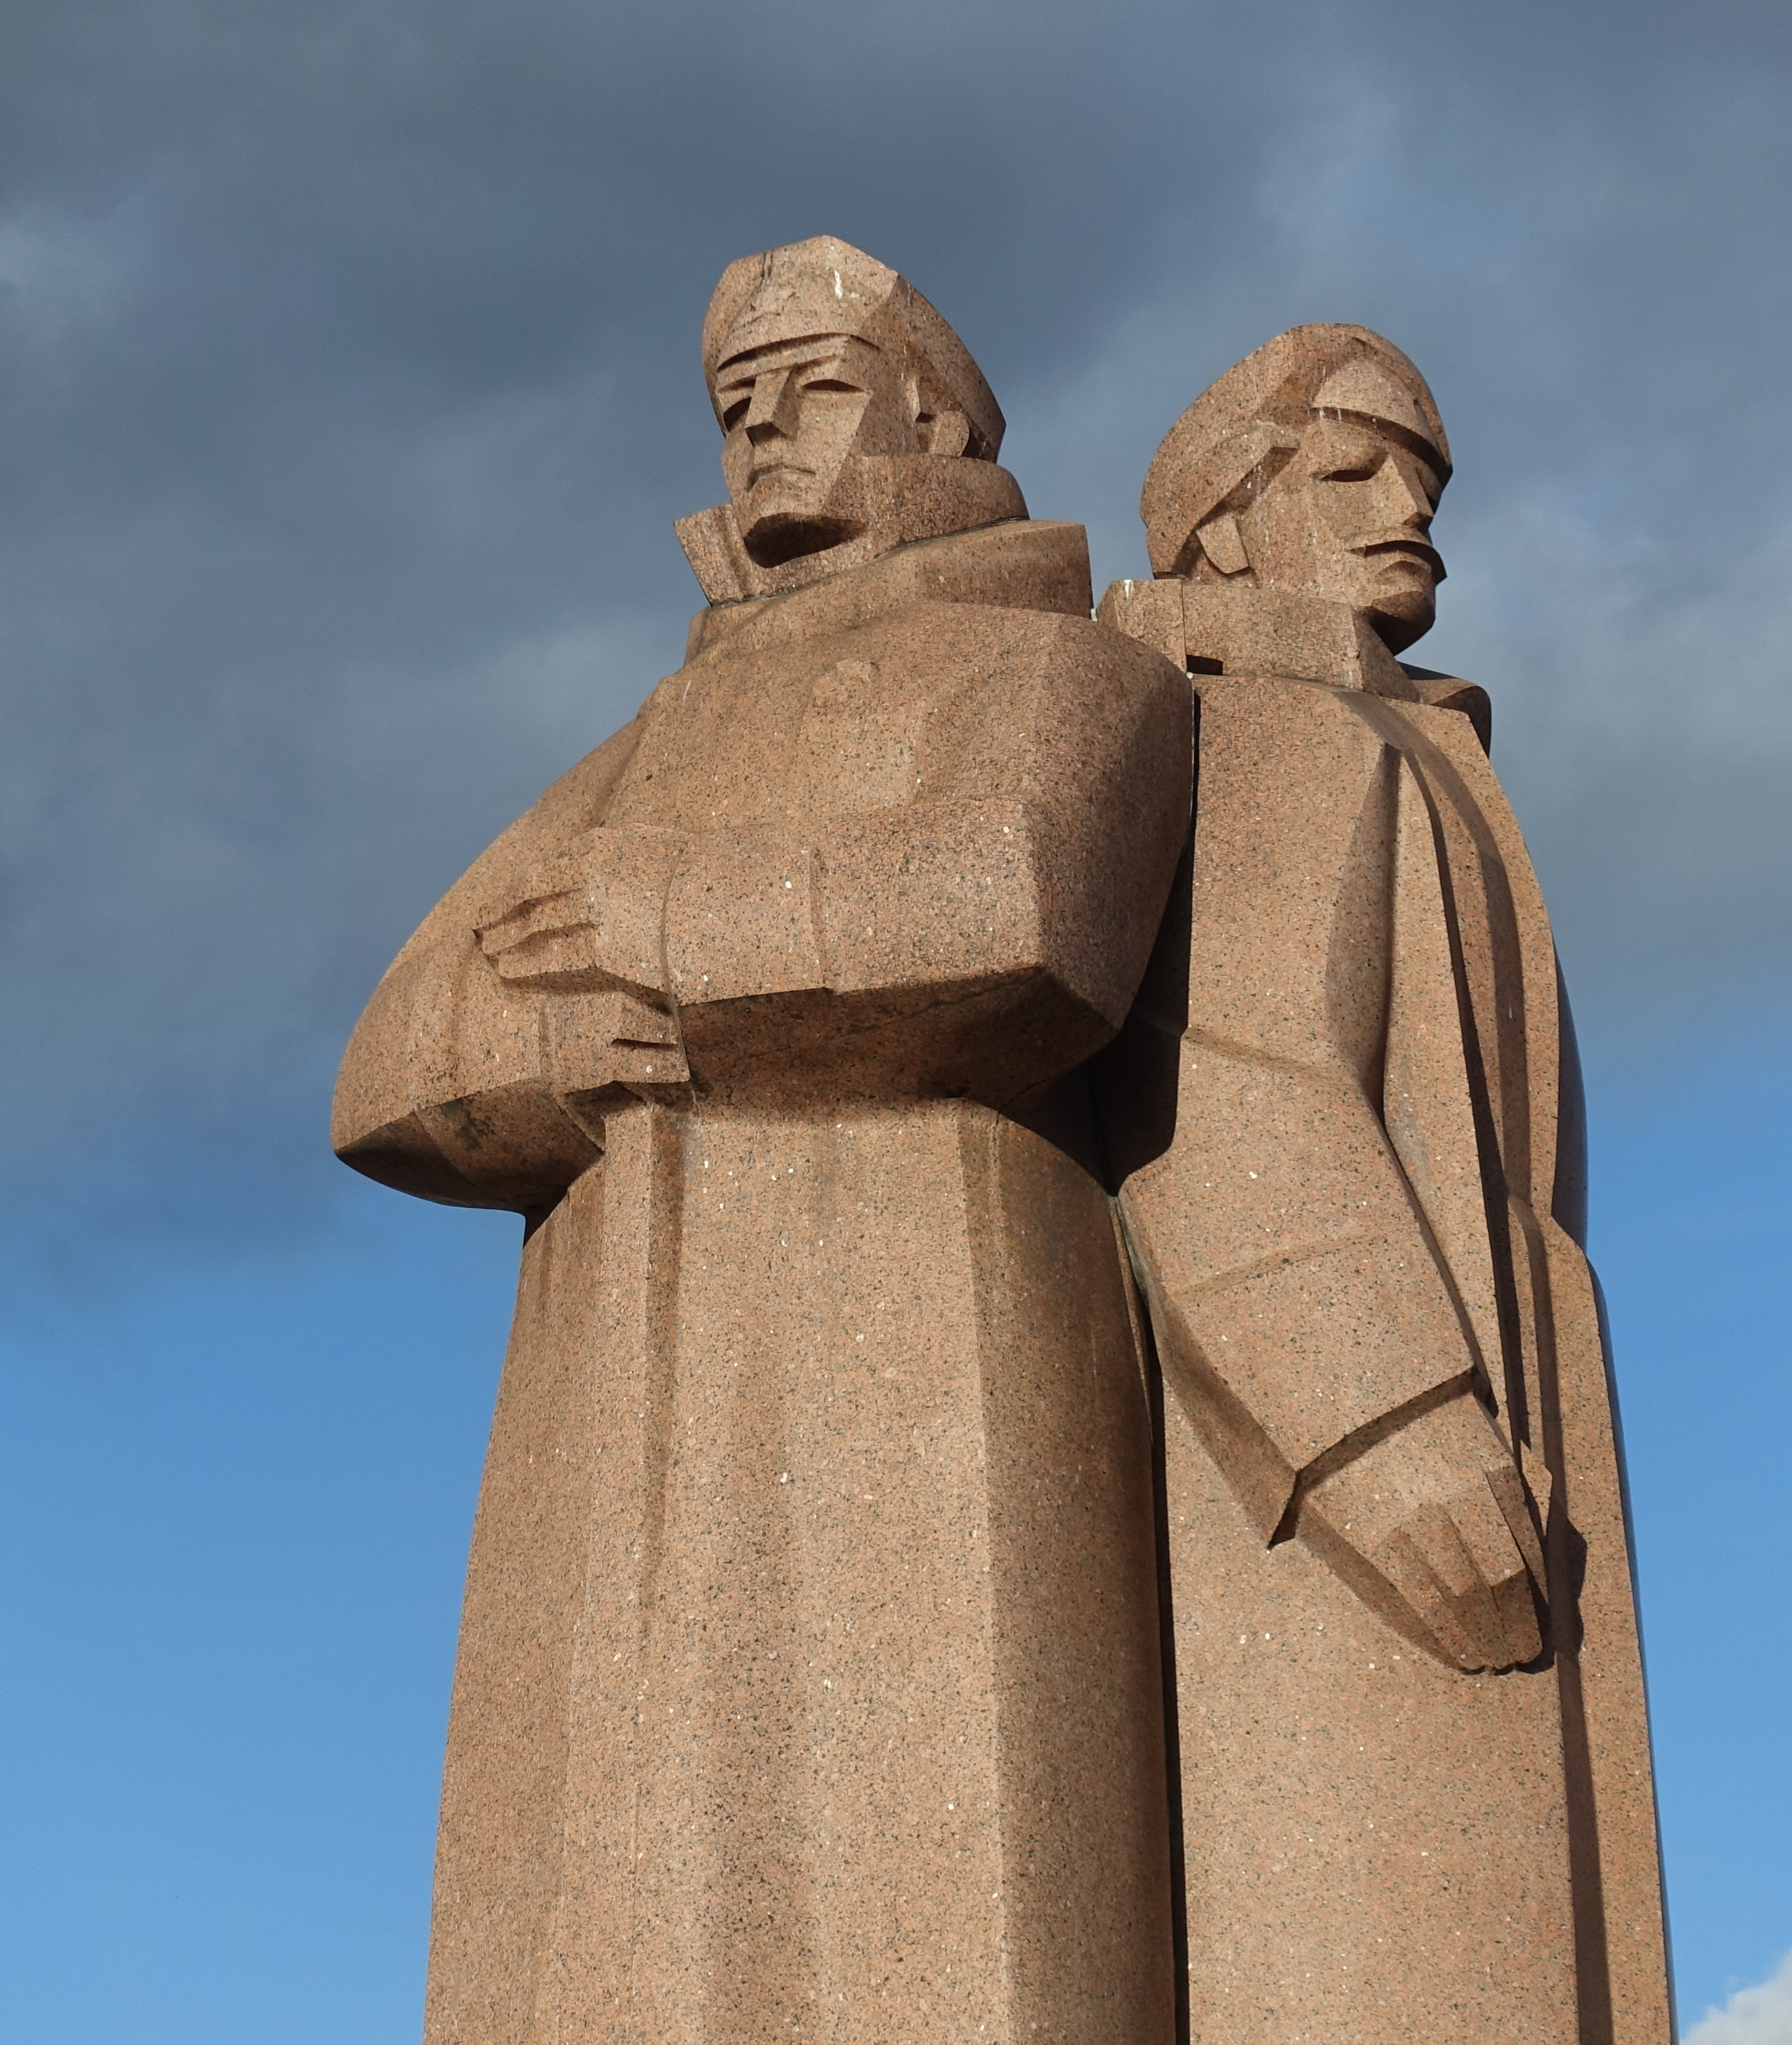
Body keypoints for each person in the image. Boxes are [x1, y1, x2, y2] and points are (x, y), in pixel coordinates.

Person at [334, 237, 1194, 2045]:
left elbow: (1025, 913)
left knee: (947, 1865)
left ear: (934, 419)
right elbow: (390, 1057)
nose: (760, 430)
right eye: (734, 402)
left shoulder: (1057, 670)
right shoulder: (649, 738)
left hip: (938, 1319)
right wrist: (566, 1046)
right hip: (638, 1376)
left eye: (814, 386)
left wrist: (661, 932)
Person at [1094, 324, 1676, 2043]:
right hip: (1357, 1460)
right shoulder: (1262, 729)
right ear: (1219, 529)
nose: (1408, 509)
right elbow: (1228, 1072)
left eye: (1422, 477)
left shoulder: (1395, 735)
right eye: (1351, 471)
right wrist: (1386, 1426)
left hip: (1480, 1384)